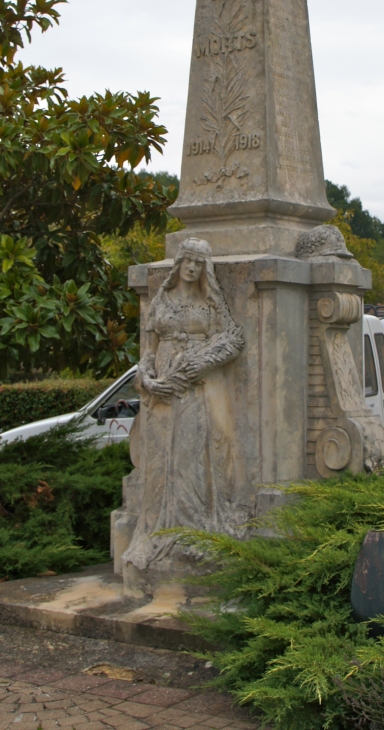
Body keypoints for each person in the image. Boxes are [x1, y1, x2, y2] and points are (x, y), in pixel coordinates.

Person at [122, 237, 245, 575]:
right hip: (160, 394)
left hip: (193, 390)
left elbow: (233, 340)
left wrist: (198, 364)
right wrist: (145, 377)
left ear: (205, 269)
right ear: (177, 264)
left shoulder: (210, 304)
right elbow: (148, 350)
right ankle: (156, 532)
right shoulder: (162, 300)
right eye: (187, 261)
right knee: (160, 460)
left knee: (189, 459)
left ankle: (191, 533)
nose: (191, 268)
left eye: (198, 263)